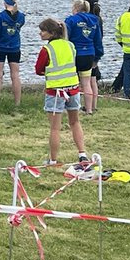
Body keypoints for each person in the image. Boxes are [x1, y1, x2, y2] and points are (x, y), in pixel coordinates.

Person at [34, 18, 87, 166]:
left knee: (55, 127)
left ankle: (53, 160)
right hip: (73, 89)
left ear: (51, 33)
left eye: (42, 30)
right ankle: (82, 154)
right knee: (75, 122)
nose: (40, 33)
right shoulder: (70, 45)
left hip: (55, 92)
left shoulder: (47, 49)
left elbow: (38, 69)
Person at [64, 0, 100, 114]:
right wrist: (97, 57)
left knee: (70, 82)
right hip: (89, 54)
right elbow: (97, 40)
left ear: (75, 8)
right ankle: (89, 109)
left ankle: (70, 107)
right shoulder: (95, 21)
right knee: (86, 83)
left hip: (74, 54)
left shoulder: (71, 20)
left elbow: (65, 37)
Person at [0, 0, 25, 103]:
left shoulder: (1, 17)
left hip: (0, 47)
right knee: (15, 75)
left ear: (5, 3)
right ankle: (17, 101)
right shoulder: (21, 17)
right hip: (14, 48)